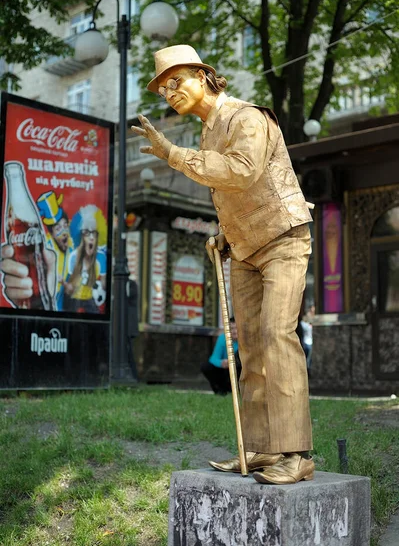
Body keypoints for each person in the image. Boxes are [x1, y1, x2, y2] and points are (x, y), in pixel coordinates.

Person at [131, 44, 314, 485]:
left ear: (203, 74)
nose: (170, 92)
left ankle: (297, 452)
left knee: (276, 333)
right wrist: (226, 233)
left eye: (177, 80)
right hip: (245, 247)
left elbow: (242, 172)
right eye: (163, 89)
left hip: (283, 238)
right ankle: (262, 449)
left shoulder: (247, 117)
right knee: (249, 344)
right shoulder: (208, 131)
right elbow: (234, 194)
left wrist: (172, 154)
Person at [64, 205, 106, 314]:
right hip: (74, 300)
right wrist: (66, 286)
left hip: (90, 301)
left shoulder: (101, 258)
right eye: (87, 233)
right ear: (81, 237)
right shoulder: (73, 256)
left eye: (94, 233)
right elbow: (69, 287)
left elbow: (105, 284)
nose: (91, 237)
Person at [37, 191, 73, 311]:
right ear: (51, 233)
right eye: (58, 228)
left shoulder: (72, 244)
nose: (63, 232)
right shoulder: (46, 247)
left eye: (65, 226)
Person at [201, 317, 240, 395]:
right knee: (206, 367)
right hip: (226, 368)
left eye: (237, 328)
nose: (234, 331)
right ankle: (220, 391)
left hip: (240, 369)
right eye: (231, 328)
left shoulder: (247, 340)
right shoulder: (223, 338)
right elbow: (214, 358)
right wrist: (221, 363)